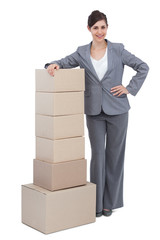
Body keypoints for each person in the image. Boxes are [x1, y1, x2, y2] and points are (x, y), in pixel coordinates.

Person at [44, 10, 149, 217]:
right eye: (95, 28)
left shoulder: (118, 50)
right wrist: (52, 64)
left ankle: (110, 203)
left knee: (114, 156)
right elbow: (64, 62)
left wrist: (129, 88)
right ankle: (96, 203)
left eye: (103, 27)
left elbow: (143, 67)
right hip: (94, 111)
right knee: (98, 156)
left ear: (107, 28)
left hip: (118, 110)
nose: (99, 31)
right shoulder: (82, 52)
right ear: (89, 29)